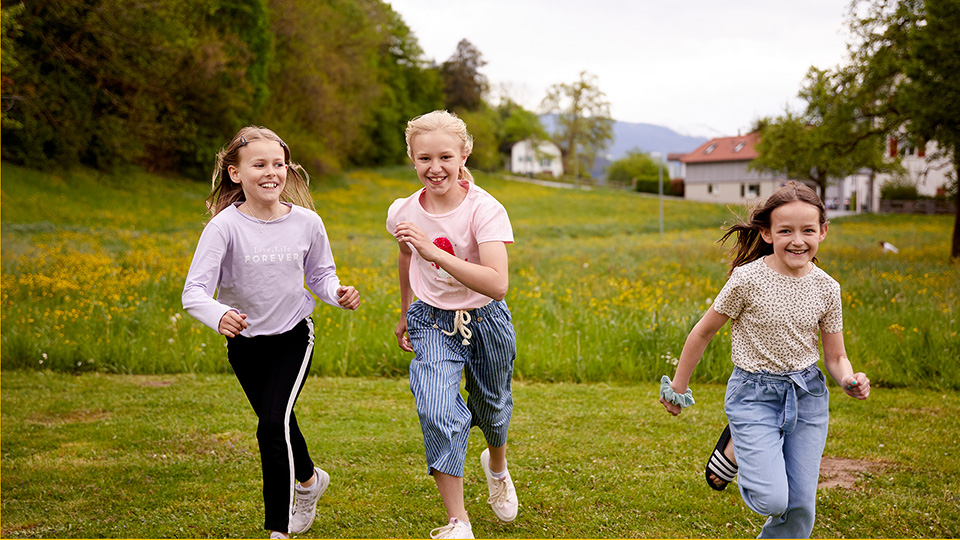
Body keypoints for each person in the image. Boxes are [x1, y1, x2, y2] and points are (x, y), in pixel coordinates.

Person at [658, 181, 870, 538]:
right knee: (774, 500)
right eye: (785, 230)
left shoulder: (827, 288)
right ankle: (735, 446)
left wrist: (850, 379)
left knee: (801, 506)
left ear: (823, 231)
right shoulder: (747, 280)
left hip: (808, 398)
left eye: (807, 230)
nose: (797, 240)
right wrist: (678, 388)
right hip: (754, 395)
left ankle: (741, 449)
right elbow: (702, 332)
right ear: (767, 234)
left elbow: (836, 356)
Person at [182, 126, 361, 539]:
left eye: (278, 164)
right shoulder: (223, 227)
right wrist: (219, 313)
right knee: (278, 419)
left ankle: (277, 530)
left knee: (269, 426)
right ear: (235, 173)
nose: (271, 172)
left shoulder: (307, 223)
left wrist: (337, 293)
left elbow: (320, 275)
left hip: (293, 335)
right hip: (244, 345)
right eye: (259, 164)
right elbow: (194, 292)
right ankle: (310, 480)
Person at [387, 110, 519, 539]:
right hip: (430, 321)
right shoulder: (403, 210)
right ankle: (458, 522)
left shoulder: (487, 209)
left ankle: (496, 469)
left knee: (493, 407)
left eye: (445, 156)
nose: (435, 168)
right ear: (412, 158)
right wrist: (406, 309)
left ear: (465, 153)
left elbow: (497, 284)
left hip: (486, 319)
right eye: (424, 158)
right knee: (437, 408)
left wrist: (435, 252)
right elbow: (407, 255)